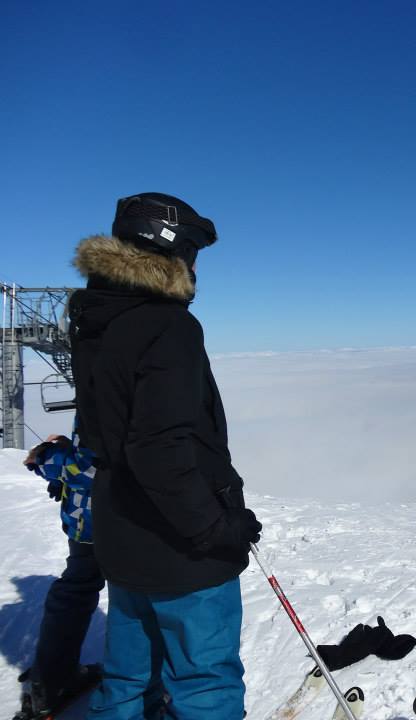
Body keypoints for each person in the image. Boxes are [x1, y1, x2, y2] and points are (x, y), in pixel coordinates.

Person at [69, 193, 262, 718]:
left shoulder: (97, 317)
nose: (197, 268)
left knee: (127, 680)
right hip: (181, 549)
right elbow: (159, 446)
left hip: (122, 530)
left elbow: (112, 429)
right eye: (193, 252)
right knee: (204, 684)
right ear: (175, 251)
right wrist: (215, 528)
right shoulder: (168, 325)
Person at [15, 426, 103, 717]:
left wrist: (46, 458)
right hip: (103, 518)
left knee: (83, 591)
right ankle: (54, 679)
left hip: (101, 520)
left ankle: (53, 680)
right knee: (138, 595)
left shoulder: (106, 395)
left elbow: (89, 468)